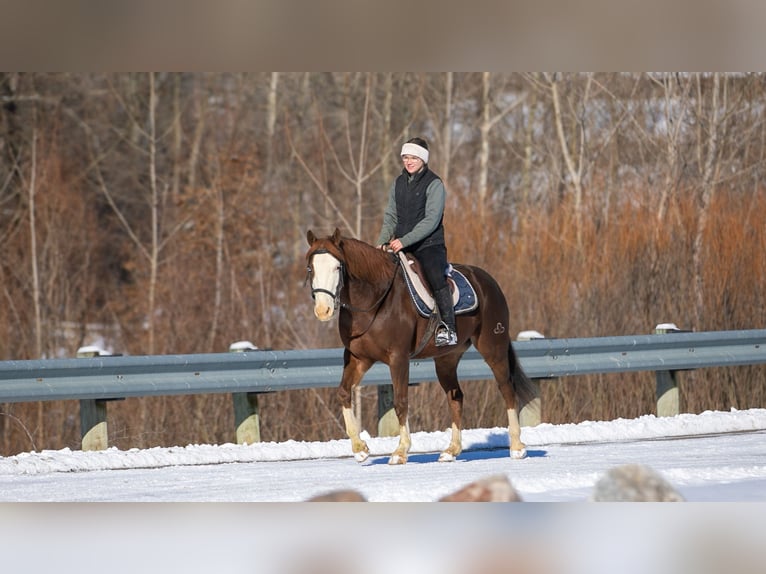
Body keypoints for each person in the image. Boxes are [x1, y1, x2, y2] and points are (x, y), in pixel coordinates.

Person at [376, 137, 457, 346]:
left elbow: (432, 220)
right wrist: (382, 242)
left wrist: (404, 240)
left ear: (423, 159)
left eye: (413, 157)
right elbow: (390, 216)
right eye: (405, 157)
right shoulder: (398, 183)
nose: (408, 161)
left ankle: (448, 328)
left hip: (429, 245)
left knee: (433, 274)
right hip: (401, 244)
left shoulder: (435, 184)